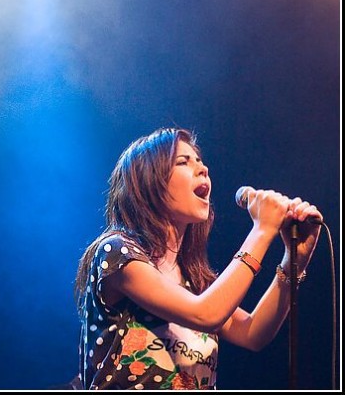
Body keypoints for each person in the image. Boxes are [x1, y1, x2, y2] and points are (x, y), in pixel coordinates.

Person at [75, 127, 322, 390]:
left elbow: (253, 333)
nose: (203, 169)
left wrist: (294, 264)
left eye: (200, 161)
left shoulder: (192, 281)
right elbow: (205, 314)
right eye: (183, 161)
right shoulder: (117, 252)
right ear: (149, 182)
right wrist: (262, 231)